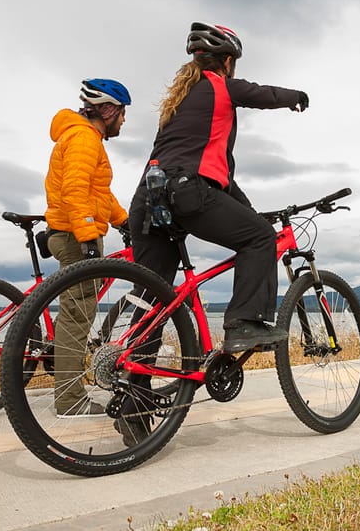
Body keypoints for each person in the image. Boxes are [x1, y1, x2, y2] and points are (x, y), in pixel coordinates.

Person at [115, 22, 308, 442]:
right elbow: (262, 94)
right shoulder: (220, 85)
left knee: (154, 300)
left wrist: (251, 213)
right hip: (185, 191)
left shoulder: (179, 104)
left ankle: (133, 405)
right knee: (258, 239)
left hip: (148, 199)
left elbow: (221, 181)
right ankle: (244, 324)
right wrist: (296, 97)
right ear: (227, 61)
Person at [44, 78, 131, 418]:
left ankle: (67, 391)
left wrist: (124, 221)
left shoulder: (85, 137)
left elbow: (98, 195)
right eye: (122, 114)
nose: (123, 121)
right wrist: (86, 239)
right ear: (108, 111)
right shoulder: (83, 138)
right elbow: (75, 191)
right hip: (74, 235)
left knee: (76, 312)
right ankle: (69, 400)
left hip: (69, 230)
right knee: (77, 316)